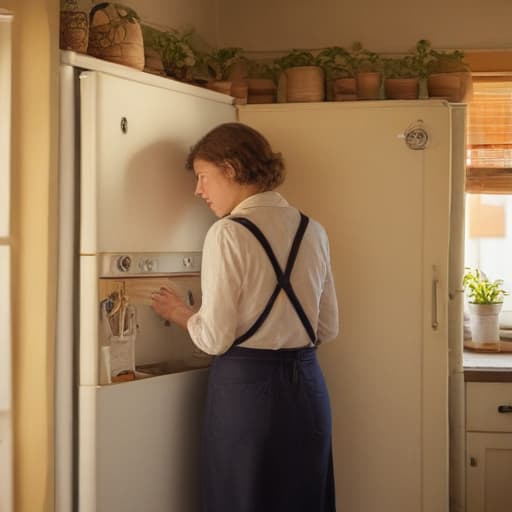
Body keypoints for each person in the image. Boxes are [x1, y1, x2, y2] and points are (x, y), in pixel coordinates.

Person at [151, 122, 339, 512]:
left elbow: (214, 339)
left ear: (231, 168)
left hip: (247, 394)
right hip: (307, 389)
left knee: (241, 499)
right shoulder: (313, 230)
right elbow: (327, 327)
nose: (198, 190)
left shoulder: (227, 233)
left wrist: (180, 312)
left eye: (203, 177)